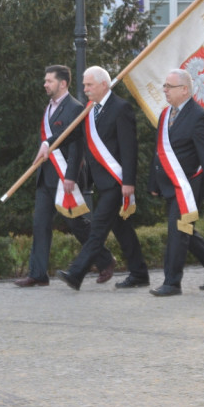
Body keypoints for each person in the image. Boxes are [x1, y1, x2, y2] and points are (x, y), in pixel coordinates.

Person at [13, 65, 116, 288]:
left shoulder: (75, 108)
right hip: (46, 177)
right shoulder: (49, 108)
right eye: (45, 80)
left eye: (49, 80)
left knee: (77, 224)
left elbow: (78, 145)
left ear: (62, 83)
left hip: (65, 178)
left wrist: (70, 176)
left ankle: (105, 260)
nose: (45, 84)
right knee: (40, 224)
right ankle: (38, 274)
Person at [56, 66, 150, 291]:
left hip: (116, 183)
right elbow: (73, 133)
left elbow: (129, 148)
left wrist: (128, 182)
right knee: (123, 230)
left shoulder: (121, 108)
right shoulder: (91, 110)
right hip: (103, 182)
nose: (85, 89)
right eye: (85, 84)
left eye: (89, 84)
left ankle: (76, 274)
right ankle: (139, 273)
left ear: (103, 84)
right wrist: (48, 144)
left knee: (97, 229)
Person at [147, 68, 204, 296]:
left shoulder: (198, 116)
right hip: (169, 185)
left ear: (184, 90)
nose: (164, 90)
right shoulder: (166, 115)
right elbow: (158, 152)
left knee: (177, 231)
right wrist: (153, 183)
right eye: (164, 86)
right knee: (184, 231)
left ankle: (172, 283)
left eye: (169, 87)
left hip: (190, 187)